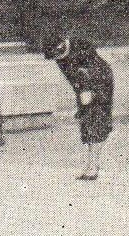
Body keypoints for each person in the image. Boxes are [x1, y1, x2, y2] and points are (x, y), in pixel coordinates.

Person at [44, 29, 114, 181]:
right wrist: (81, 95)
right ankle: (92, 165)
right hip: (83, 87)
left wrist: (89, 91)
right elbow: (72, 78)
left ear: (62, 46)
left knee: (96, 121)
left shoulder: (82, 46)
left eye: (59, 55)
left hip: (101, 82)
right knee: (87, 122)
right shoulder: (59, 58)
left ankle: (93, 166)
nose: (59, 59)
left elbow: (94, 71)